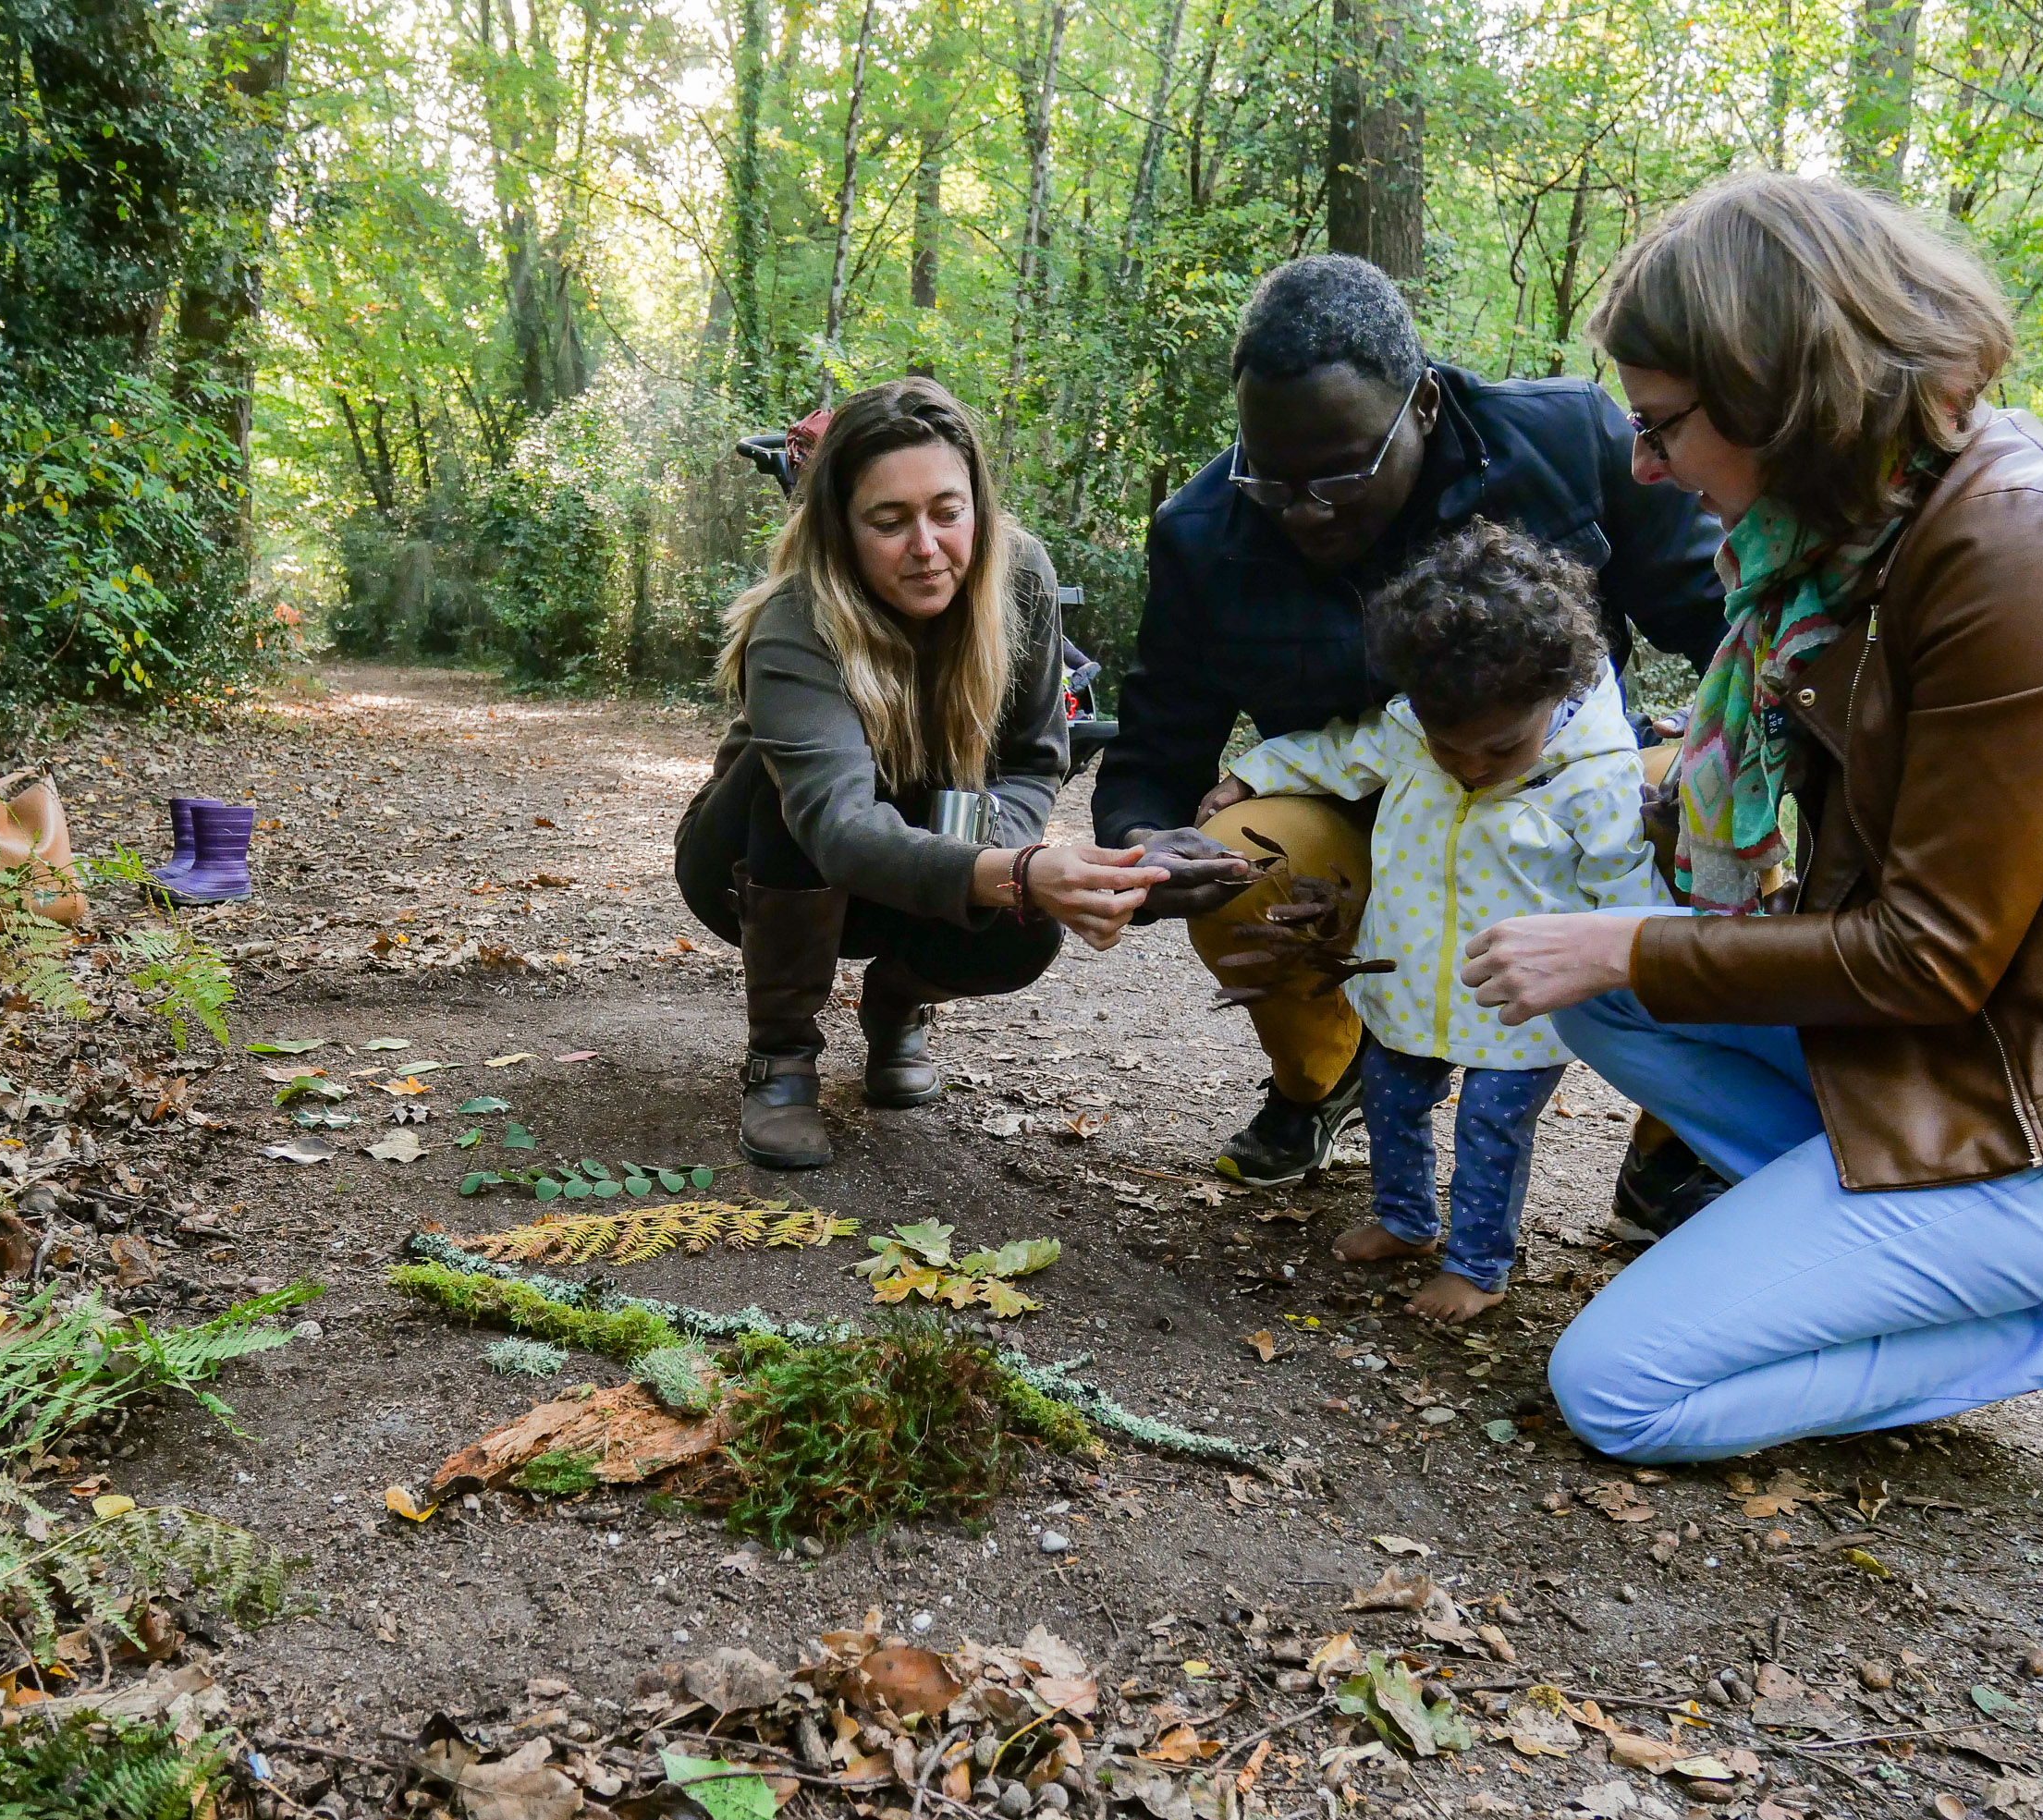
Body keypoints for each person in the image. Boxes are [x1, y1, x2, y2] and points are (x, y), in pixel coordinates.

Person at [1462, 173, 2043, 1548]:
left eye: (1667, 422)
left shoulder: (2035, 556)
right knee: (1590, 977)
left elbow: (1930, 952)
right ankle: (1897, 1268)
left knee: (1621, 1386)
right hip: (1978, 1048)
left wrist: (1628, 939)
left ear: (1786, 390)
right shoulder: (1843, 544)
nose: (1644, 466)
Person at [1094, 253, 1729, 1189]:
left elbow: (1726, 635)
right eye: (1272, 479)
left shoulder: (1569, 442)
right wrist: (1150, 848)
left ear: (1423, 405)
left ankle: (1680, 1144)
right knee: (1241, 851)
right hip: (1367, 822)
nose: (1305, 511)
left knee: (1707, 813)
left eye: (1341, 474)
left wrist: (1709, 771)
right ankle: (1330, 1070)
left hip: (1562, 793)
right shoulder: (1203, 532)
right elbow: (1154, 750)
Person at [677, 378, 1166, 1170]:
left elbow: (1032, 761)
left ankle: (898, 998)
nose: (927, 547)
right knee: (790, 789)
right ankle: (782, 1060)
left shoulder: (1022, 578)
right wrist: (1014, 871)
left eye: (948, 511)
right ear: (840, 527)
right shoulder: (795, 622)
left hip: (925, 843)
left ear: (978, 502)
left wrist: (1010, 870)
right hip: (756, 862)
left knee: (1023, 928)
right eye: (889, 521)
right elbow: (836, 825)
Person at [1212, 521, 1657, 1321]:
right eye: (1451, 751)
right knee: (1389, 1099)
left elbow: (1626, 894)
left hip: (1520, 1011)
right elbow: (1337, 753)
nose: (1472, 768)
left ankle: (1479, 1265)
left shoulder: (1596, 778)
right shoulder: (1416, 732)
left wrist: (1636, 968)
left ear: (1555, 696)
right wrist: (1249, 775)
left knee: (1489, 1130)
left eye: (1498, 749)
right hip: (1411, 982)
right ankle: (1406, 1221)